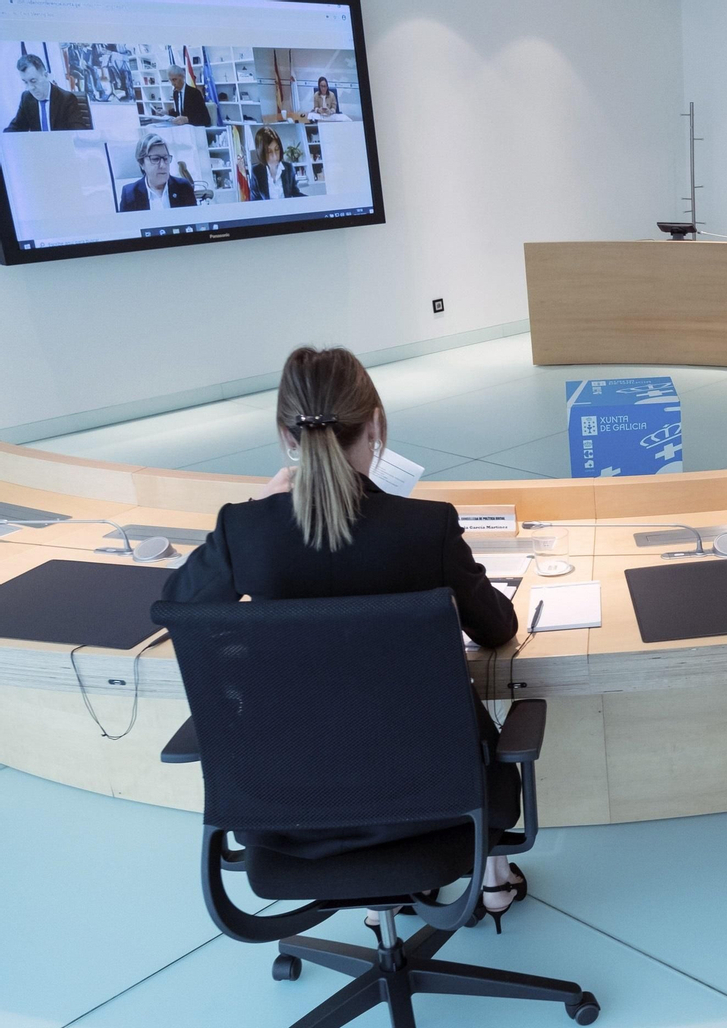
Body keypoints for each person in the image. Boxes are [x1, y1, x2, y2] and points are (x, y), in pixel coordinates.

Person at [162, 347, 530, 933]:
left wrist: (257, 508)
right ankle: (491, 878)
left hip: (289, 809)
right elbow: (499, 629)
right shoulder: (425, 528)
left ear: (286, 433)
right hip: (436, 801)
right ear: (376, 425)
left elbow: (176, 604)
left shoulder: (246, 529)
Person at [5, 54, 91, 132]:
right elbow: (16, 127)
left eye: (33, 81)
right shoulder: (26, 97)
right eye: (26, 82)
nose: (30, 87)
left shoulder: (67, 99)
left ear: (45, 76)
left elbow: (79, 133)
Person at [119, 133, 198, 211]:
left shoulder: (183, 188)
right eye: (155, 159)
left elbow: (194, 220)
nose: (163, 165)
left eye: (166, 158)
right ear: (141, 163)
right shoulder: (130, 194)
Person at [249, 126, 305, 200]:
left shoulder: (289, 168)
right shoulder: (256, 171)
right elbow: (255, 201)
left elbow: (295, 193)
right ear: (261, 152)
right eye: (269, 152)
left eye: (277, 149)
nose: (275, 156)